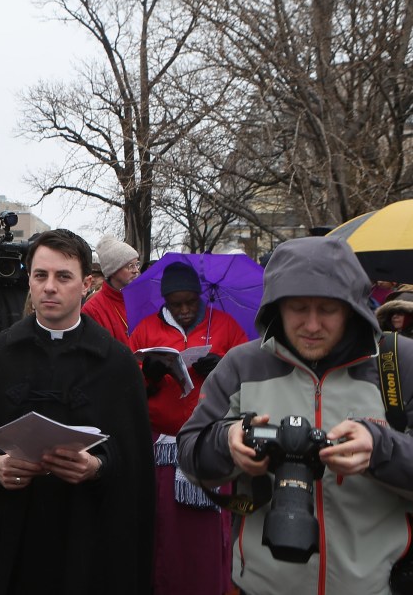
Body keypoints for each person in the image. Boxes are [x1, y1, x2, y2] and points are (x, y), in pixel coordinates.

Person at [177, 236, 413, 595]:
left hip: (377, 585)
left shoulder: (399, 363)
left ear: (352, 308)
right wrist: (229, 443)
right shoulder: (242, 365)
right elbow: (190, 455)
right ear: (276, 307)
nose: (312, 325)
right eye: (298, 308)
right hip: (261, 586)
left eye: (328, 309)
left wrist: (379, 449)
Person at [0, 229, 154, 594]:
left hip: (88, 538)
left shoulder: (115, 363)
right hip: (10, 539)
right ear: (29, 280)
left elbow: (135, 463)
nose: (50, 287)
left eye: (63, 276)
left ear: (86, 284)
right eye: (41, 275)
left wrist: (98, 466)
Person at [129, 261, 248, 595]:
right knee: (163, 527)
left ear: (200, 297)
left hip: (211, 440)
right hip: (161, 445)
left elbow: (248, 379)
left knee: (208, 531)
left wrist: (223, 366)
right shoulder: (144, 331)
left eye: (190, 303)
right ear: (164, 300)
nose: (183, 310)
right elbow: (126, 386)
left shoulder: (224, 326)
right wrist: (148, 376)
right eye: (175, 303)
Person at [82, 235, 140, 345]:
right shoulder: (92, 309)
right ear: (113, 270)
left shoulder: (140, 300)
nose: (136, 270)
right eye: (130, 266)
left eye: (137, 264)